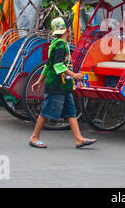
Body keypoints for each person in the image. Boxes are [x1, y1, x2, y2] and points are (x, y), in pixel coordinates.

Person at [29, 17, 98, 149]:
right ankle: (34, 137)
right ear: (68, 30)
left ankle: (79, 139)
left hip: (63, 85)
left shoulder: (55, 43)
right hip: (56, 85)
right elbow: (58, 65)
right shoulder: (60, 45)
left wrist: (39, 81)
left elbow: (48, 65)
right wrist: (74, 75)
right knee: (46, 111)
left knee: (71, 112)